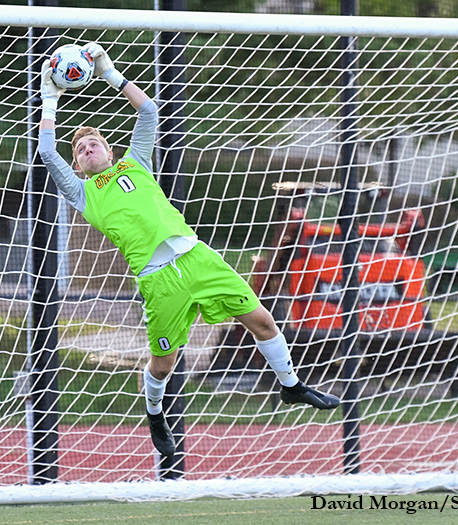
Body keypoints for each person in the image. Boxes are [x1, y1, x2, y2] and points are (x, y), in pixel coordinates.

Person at [38, 43, 340, 457]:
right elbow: (45, 152)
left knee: (263, 322)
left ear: (110, 150)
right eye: (82, 151)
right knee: (164, 364)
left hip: (198, 258)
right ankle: (155, 413)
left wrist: (110, 71)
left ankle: (291, 386)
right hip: (158, 280)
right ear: (78, 166)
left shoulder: (135, 163)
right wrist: (49, 98)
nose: (88, 150)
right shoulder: (82, 193)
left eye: (94, 145)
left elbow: (148, 112)